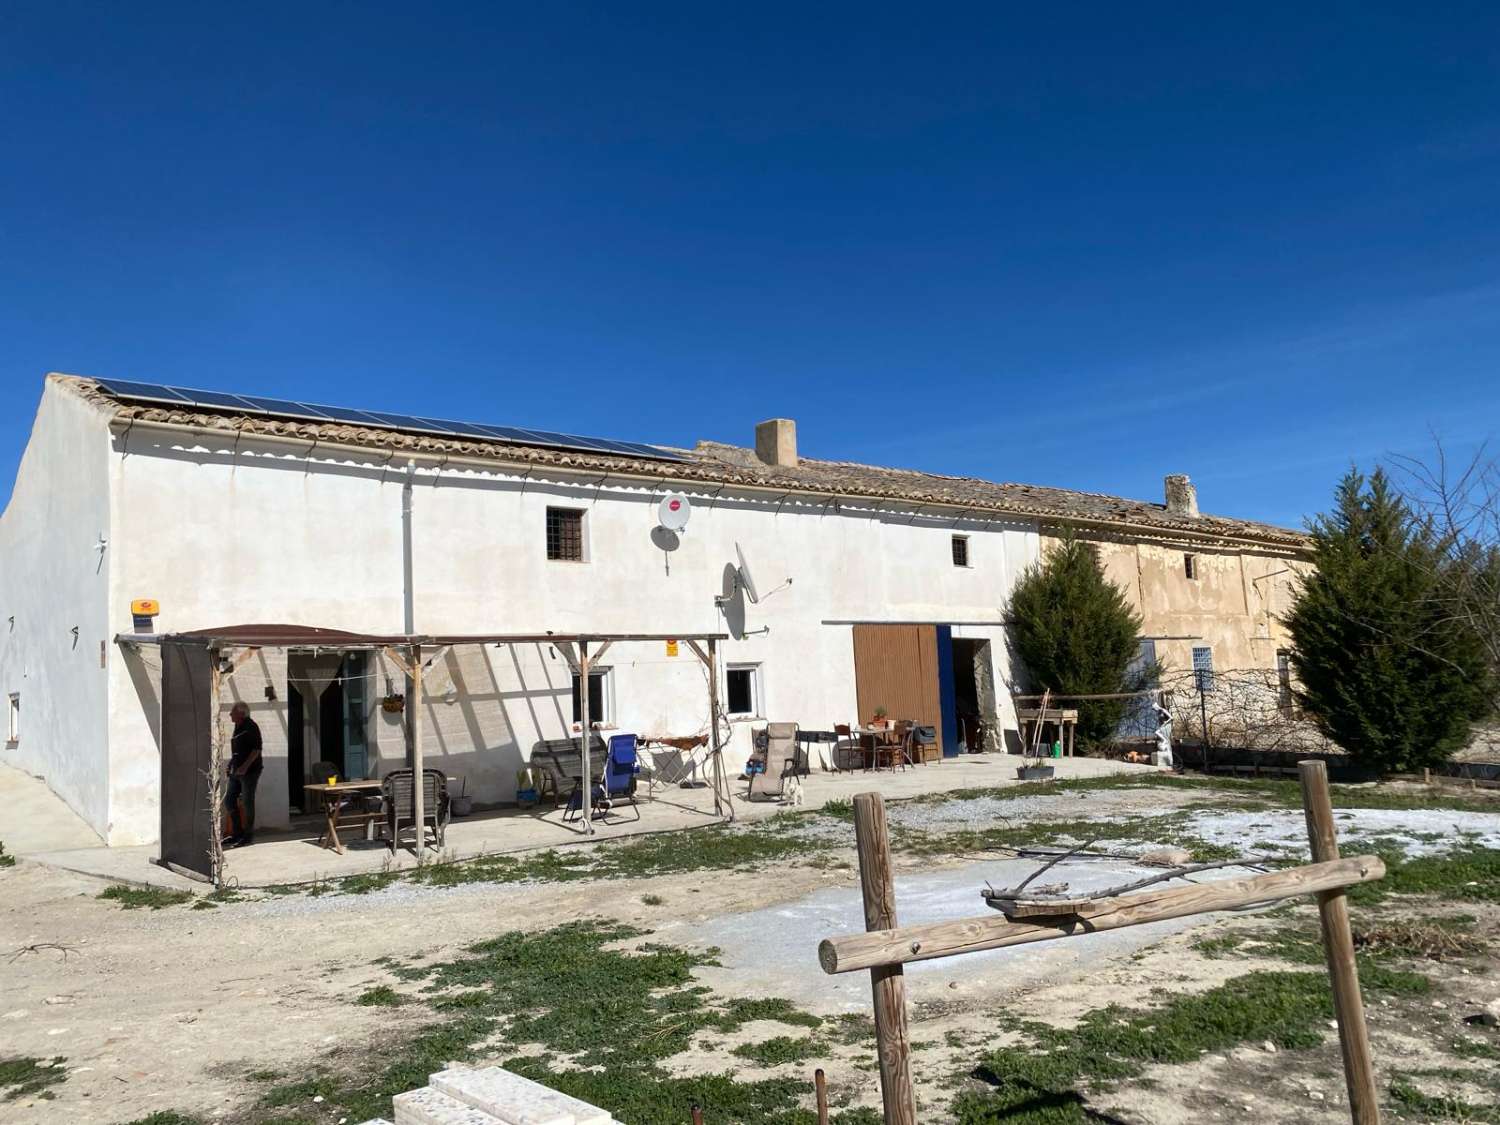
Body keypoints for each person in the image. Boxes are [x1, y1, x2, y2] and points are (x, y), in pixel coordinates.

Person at [223, 702, 263, 847]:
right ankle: (236, 833)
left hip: (250, 772)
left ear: (241, 713)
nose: (230, 714)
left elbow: (256, 749)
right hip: (236, 770)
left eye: (233, 712)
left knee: (247, 803)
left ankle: (248, 836)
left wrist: (245, 767)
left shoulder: (251, 727)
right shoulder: (238, 726)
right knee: (229, 800)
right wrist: (230, 764)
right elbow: (237, 750)